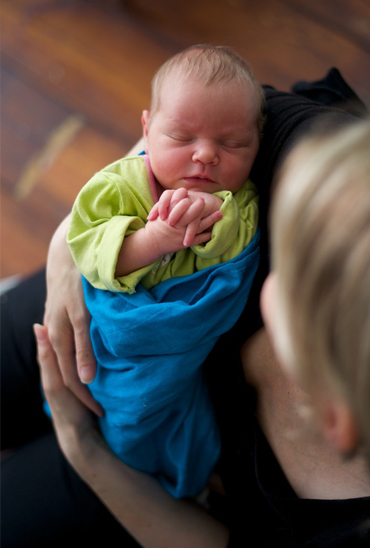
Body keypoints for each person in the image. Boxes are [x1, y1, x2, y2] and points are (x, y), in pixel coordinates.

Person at [2, 67, 369, 548]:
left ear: (339, 420)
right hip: (97, 304)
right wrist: (70, 246)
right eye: (302, 257)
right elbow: (202, 111)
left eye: (302, 298)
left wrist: (84, 451)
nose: (271, 283)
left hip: (149, 477)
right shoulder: (335, 176)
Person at [61, 45, 262, 498]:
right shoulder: (117, 187)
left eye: (232, 144)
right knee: (126, 409)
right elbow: (88, 251)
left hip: (183, 368)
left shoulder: (240, 200)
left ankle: (181, 479)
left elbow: (241, 243)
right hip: (120, 343)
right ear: (148, 130)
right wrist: (154, 241)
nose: (206, 155)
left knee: (190, 431)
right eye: (183, 137)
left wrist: (214, 218)